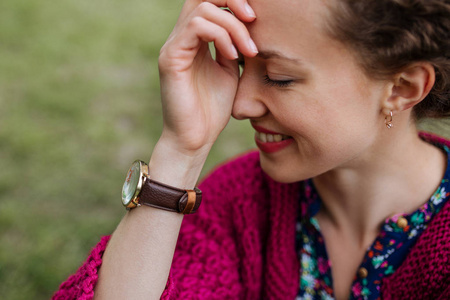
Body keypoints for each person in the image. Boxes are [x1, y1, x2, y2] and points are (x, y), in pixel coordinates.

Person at [52, 0, 450, 299]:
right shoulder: (239, 200)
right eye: (241, 65)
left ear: (402, 88)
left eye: (279, 78)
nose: (240, 106)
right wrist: (181, 150)